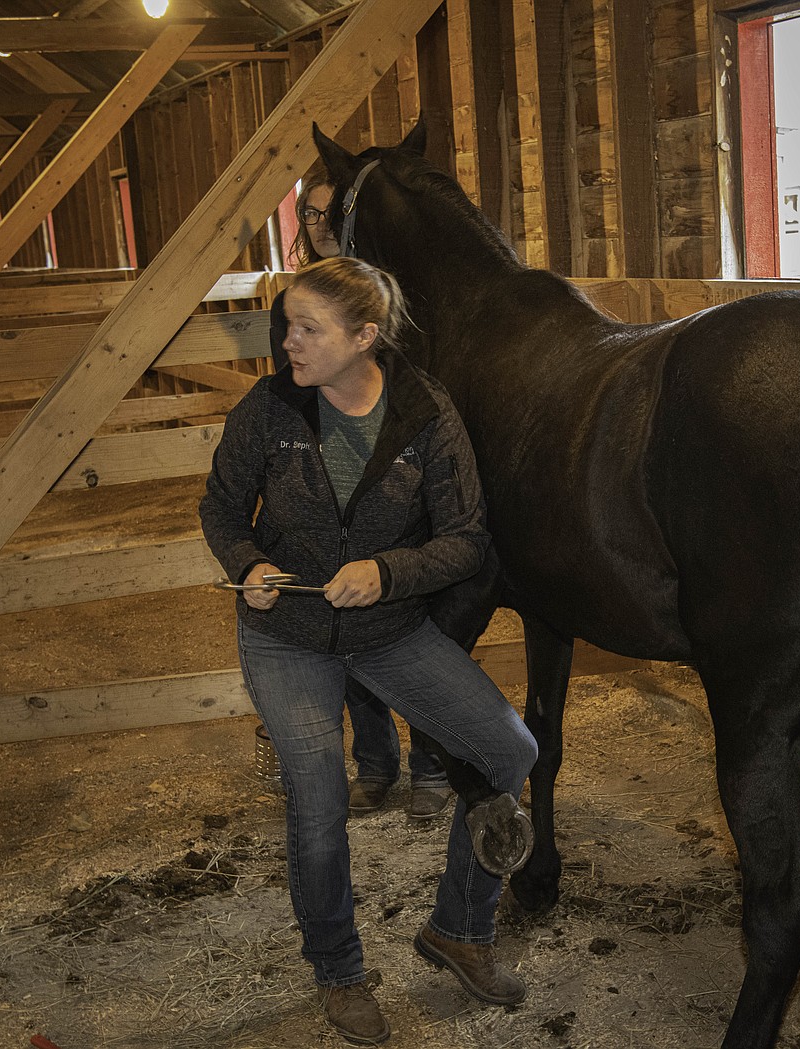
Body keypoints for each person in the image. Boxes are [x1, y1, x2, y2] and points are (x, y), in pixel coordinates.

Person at [201, 256, 538, 1045]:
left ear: (364, 336)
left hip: (389, 630)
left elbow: (465, 540)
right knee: (319, 803)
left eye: (306, 328)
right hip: (288, 633)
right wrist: (248, 565)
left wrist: (388, 573)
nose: (288, 341)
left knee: (507, 749)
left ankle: (460, 927)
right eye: (287, 323)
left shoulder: (425, 415)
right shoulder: (272, 405)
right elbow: (221, 506)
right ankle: (340, 971)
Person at [277, 176, 454, 821]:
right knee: (343, 631)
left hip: (394, 467)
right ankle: (377, 765)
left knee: (414, 628)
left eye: (331, 211)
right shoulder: (300, 300)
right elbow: (290, 378)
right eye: (312, 212)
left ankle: (431, 766)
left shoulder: (382, 295)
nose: (321, 221)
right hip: (330, 462)